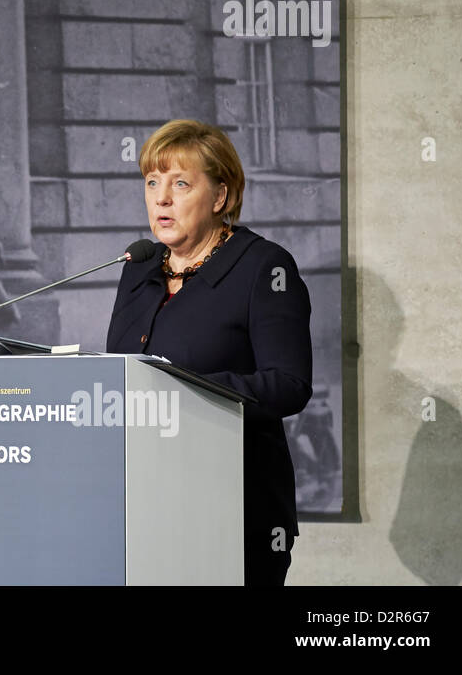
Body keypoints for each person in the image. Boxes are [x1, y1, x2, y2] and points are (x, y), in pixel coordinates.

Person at [105, 119, 312, 586]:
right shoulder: (137, 270)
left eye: (180, 183)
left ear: (220, 197)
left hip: (233, 510)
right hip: (145, 510)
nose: (161, 198)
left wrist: (182, 392)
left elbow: (288, 384)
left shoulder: (263, 267)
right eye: (153, 182)